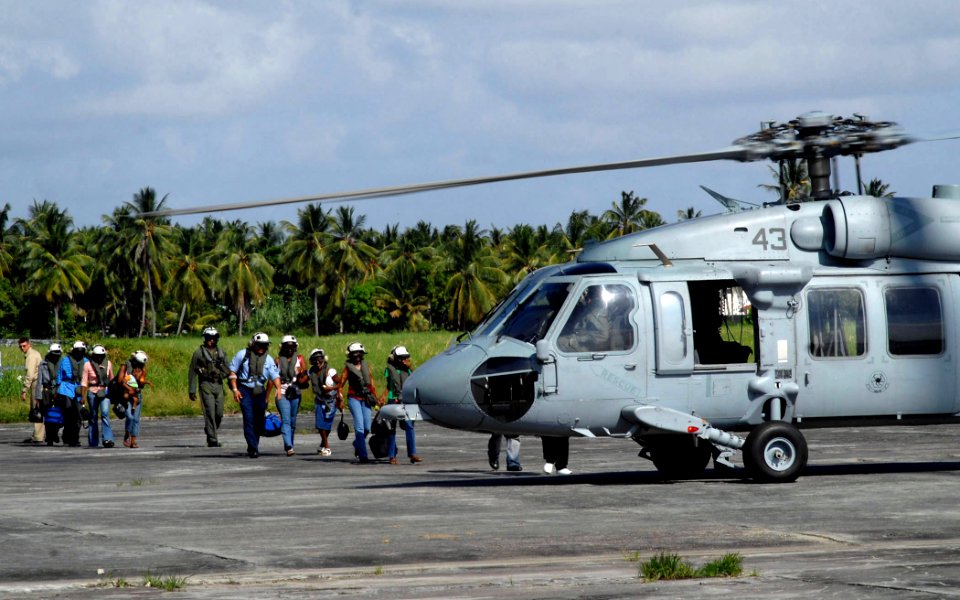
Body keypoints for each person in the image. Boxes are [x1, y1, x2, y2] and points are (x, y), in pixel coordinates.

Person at [228, 332, 281, 458]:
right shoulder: (242, 355)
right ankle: (253, 448)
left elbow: (275, 375)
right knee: (248, 418)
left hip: (260, 392)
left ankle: (254, 445)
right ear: (253, 344)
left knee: (258, 420)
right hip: (245, 390)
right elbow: (232, 373)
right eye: (259, 345)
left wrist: (278, 387)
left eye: (264, 345)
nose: (262, 348)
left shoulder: (268, 359)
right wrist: (235, 390)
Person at [335, 341, 379, 464]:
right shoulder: (348, 368)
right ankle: (363, 455)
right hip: (353, 398)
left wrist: (376, 398)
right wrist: (340, 399)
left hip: (366, 398)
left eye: (359, 354)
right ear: (350, 355)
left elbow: (371, 382)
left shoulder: (366, 366)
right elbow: (340, 385)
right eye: (354, 354)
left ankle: (357, 444)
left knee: (367, 427)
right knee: (359, 427)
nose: (357, 356)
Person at [188, 327, 229, 447]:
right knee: (209, 412)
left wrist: (222, 372)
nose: (211, 341)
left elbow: (228, 369)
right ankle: (212, 439)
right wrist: (191, 389)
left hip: (219, 385)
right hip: (206, 385)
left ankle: (211, 429)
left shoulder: (221, 353)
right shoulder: (198, 353)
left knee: (219, 413)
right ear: (205, 339)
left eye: (214, 338)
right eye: (209, 338)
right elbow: (192, 371)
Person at [383, 345, 422, 465]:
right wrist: (383, 397)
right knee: (391, 429)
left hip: (406, 400)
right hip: (393, 400)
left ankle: (412, 454)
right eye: (402, 358)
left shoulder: (408, 369)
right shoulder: (389, 369)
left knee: (409, 426)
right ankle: (391, 455)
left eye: (406, 358)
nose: (405, 360)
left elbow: (417, 378)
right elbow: (388, 386)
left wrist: (410, 367)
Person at [276, 335, 307, 456]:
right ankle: (289, 446)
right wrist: (267, 396)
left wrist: (301, 375)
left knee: (293, 421)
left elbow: (305, 377)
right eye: (287, 347)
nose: (289, 349)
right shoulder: (277, 360)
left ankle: (290, 443)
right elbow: (272, 378)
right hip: (282, 393)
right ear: (282, 347)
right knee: (286, 419)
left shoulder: (300, 359)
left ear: (295, 348)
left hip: (295, 392)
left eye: (292, 347)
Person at [81, 344, 115, 448]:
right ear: (94, 356)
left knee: (105, 414)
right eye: (97, 356)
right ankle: (93, 441)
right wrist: (83, 397)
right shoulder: (87, 365)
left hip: (104, 392)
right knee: (93, 416)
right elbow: (84, 382)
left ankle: (108, 439)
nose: (100, 358)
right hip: (92, 392)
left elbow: (111, 380)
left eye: (101, 355)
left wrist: (113, 394)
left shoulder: (108, 364)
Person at [56, 341, 88, 447]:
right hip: (66, 389)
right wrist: (57, 390)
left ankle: (75, 438)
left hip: (79, 389)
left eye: (81, 351)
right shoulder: (65, 360)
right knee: (68, 414)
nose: (79, 353)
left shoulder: (86, 362)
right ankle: (67, 437)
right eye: (77, 351)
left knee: (78, 415)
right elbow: (59, 376)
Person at [308, 348, 339, 456]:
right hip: (319, 400)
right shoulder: (311, 371)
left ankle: (323, 444)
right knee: (320, 425)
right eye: (315, 360)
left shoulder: (331, 371)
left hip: (331, 401)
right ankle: (327, 447)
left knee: (327, 426)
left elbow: (340, 384)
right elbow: (303, 381)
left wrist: (330, 389)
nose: (318, 362)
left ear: (323, 359)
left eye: (319, 359)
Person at [117, 350, 149, 448]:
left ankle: (133, 441)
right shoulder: (125, 365)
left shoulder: (142, 368)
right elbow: (120, 380)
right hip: (126, 395)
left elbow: (141, 384)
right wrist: (129, 388)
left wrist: (142, 381)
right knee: (130, 417)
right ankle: (127, 434)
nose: (141, 365)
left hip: (137, 394)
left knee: (136, 419)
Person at [18, 337, 44, 444]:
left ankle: (38, 436)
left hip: (36, 383)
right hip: (41, 383)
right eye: (20, 346)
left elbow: (30, 374)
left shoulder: (31, 356)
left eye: (24, 345)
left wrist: (24, 389)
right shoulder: (35, 353)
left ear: (29, 345)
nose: (22, 348)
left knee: (36, 410)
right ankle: (39, 434)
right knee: (40, 409)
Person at [38, 344, 62, 445]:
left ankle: (55, 433)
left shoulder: (62, 363)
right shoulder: (43, 364)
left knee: (58, 413)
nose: (56, 357)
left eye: (58, 355)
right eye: (54, 354)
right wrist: (38, 396)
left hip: (59, 389)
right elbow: (39, 380)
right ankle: (49, 437)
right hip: (47, 390)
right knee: (47, 414)